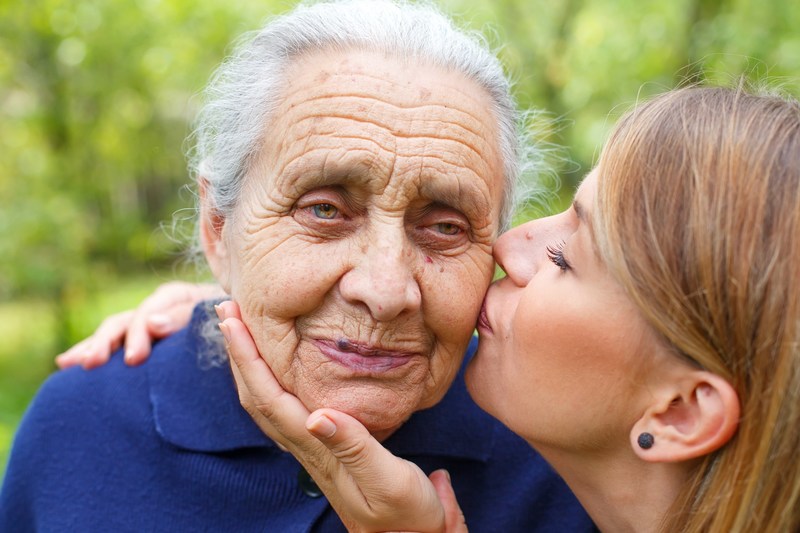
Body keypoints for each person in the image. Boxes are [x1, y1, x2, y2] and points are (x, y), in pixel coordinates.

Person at [70, 86, 800, 532]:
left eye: (567, 257)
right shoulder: (93, 415)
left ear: (678, 414)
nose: (507, 245)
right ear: (218, 225)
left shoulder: (549, 466)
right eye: (324, 210)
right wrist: (250, 290)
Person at [0, 1, 593, 532]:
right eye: (324, 210)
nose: (386, 292)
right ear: (219, 230)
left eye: (444, 227)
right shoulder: (81, 428)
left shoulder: (562, 455)